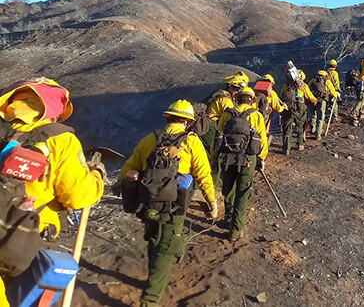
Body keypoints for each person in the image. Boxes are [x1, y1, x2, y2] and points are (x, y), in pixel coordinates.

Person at [0, 78, 105, 306]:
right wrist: (97, 175)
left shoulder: (3, 131)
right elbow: (79, 196)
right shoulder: (61, 140)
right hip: (20, 244)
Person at [117, 99, 216, 306]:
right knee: (167, 245)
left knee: (154, 237)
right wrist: (212, 202)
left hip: (148, 200)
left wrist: (119, 185)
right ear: (187, 122)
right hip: (175, 205)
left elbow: (130, 165)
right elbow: (204, 174)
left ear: (168, 118)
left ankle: (157, 268)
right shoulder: (192, 142)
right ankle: (151, 299)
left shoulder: (149, 140)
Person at [215, 88, 268, 242]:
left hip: (227, 158)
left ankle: (228, 219)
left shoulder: (227, 114)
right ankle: (235, 230)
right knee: (243, 192)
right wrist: (262, 158)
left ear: (236, 99)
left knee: (229, 189)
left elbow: (218, 136)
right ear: (251, 100)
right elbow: (262, 140)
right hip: (248, 160)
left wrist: (214, 158)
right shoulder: (256, 115)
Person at [279, 70, 316, 154]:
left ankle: (286, 148)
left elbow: (281, 96)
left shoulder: (286, 86)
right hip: (300, 110)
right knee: (301, 127)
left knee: (287, 128)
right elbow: (312, 98)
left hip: (288, 109)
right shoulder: (303, 87)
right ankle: (300, 145)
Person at [308, 70, 339, 139]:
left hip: (313, 100)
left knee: (313, 114)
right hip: (322, 100)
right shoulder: (327, 81)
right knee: (320, 117)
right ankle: (318, 134)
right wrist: (336, 95)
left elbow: (307, 88)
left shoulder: (313, 80)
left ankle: (312, 129)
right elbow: (332, 91)